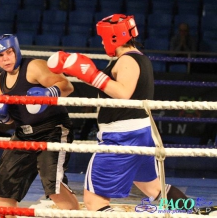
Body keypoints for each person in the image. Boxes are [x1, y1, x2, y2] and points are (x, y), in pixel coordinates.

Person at [47, 14, 193, 212]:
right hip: (138, 133)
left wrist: (92, 75)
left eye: (103, 37)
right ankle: (193, 213)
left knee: (94, 200)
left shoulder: (128, 60)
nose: (101, 41)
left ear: (113, 37)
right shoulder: (138, 58)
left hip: (121, 137)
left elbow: (124, 93)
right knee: (155, 189)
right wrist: (80, 72)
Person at [0, 34, 80, 217]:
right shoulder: (1, 80)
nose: (5, 59)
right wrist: (3, 118)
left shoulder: (34, 66)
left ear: (16, 51)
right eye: (0, 56)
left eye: (9, 53)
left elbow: (67, 86)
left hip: (53, 129)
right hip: (23, 134)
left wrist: (48, 94)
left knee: (53, 185)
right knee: (4, 188)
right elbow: (12, 119)